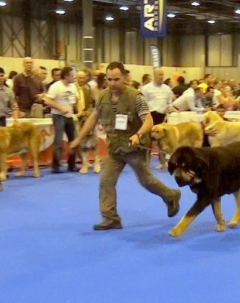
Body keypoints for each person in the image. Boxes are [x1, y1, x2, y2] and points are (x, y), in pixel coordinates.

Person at [70, 62, 181, 230]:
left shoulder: (136, 97)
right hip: (115, 149)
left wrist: (137, 135)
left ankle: (171, 195)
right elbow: (93, 118)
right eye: (109, 79)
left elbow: (148, 121)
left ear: (125, 78)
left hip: (135, 148)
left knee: (147, 181)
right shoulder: (102, 97)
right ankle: (110, 218)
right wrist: (78, 139)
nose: (113, 83)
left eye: (116, 79)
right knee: (106, 182)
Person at [44, 67, 80, 173]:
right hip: (58, 116)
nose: (74, 77)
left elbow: (77, 99)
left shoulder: (73, 86)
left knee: (73, 141)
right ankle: (55, 166)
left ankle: (72, 164)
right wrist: (60, 108)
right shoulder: (55, 87)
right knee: (58, 141)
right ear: (67, 76)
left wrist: (79, 111)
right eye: (72, 75)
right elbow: (47, 101)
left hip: (70, 116)